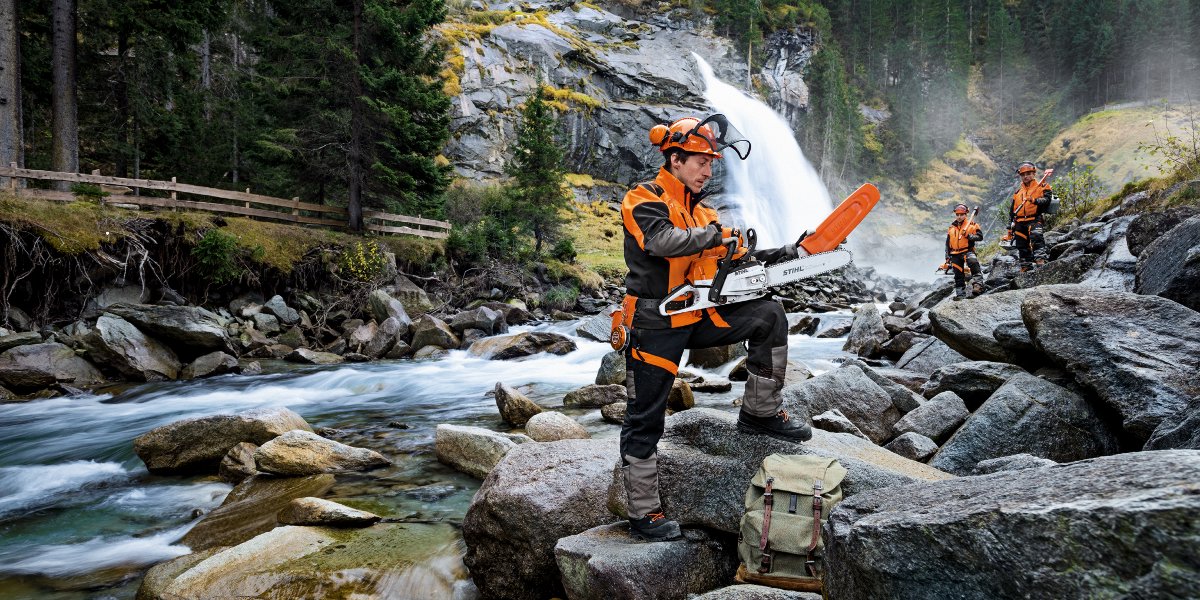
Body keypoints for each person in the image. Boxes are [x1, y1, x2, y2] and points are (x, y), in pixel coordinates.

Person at [617, 115, 812, 542]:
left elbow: (739, 253)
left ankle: (760, 412)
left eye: (711, 163)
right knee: (645, 417)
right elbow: (661, 241)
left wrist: (792, 251)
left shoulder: (703, 210)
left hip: (698, 312)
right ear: (674, 158)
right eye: (700, 162)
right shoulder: (644, 198)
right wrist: (712, 237)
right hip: (654, 321)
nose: (709, 170)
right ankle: (643, 510)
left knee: (768, 314)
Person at [1008, 161, 1052, 271]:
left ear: (1033, 174)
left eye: (1028, 174)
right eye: (1023, 175)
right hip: (1019, 222)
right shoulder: (1018, 192)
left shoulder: (1042, 186)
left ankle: (1040, 261)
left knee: (1037, 239)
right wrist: (1010, 224)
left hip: (1034, 219)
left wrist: (1034, 200)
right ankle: (1025, 265)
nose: (1025, 176)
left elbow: (1047, 200)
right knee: (1021, 245)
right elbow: (1012, 210)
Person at [945, 203, 983, 300]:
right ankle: (960, 294)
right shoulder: (951, 228)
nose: (959, 217)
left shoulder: (972, 225)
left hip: (967, 251)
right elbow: (947, 244)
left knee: (974, 263)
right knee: (958, 275)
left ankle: (978, 286)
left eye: (961, 214)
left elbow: (980, 237)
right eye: (957, 215)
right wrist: (947, 257)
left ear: (966, 214)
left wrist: (969, 236)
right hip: (955, 254)